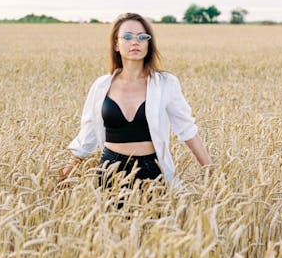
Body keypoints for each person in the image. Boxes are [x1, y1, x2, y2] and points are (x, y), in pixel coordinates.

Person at [61, 12, 213, 188]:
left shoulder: (165, 84)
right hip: (110, 171)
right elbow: (87, 136)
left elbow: (186, 129)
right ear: (116, 44)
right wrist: (64, 177)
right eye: (127, 37)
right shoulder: (101, 86)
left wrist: (211, 173)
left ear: (149, 43)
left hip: (153, 171)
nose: (135, 42)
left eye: (142, 37)